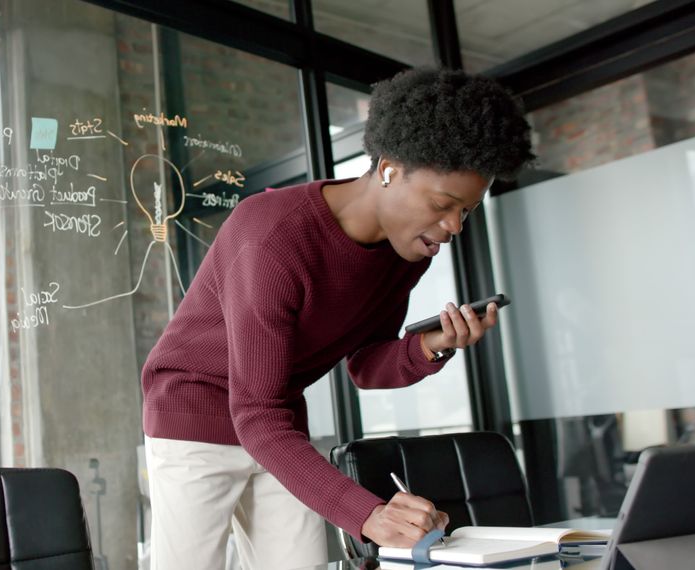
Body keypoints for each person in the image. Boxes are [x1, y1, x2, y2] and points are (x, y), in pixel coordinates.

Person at [141, 67, 535, 569]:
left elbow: (364, 367)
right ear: (390, 168)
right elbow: (253, 413)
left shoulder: (407, 253)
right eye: (443, 204)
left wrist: (431, 344)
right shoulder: (272, 237)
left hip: (276, 423)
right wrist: (368, 515)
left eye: (467, 211)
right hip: (193, 415)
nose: (453, 226)